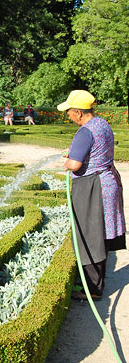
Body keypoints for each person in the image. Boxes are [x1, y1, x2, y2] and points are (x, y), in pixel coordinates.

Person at [57, 90, 126, 300]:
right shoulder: (102, 124)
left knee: (89, 234)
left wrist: (68, 163)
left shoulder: (85, 132)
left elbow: (75, 165)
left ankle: (92, 290)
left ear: (78, 112)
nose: (67, 115)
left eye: (69, 111)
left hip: (92, 186)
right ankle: (93, 284)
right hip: (107, 181)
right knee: (98, 233)